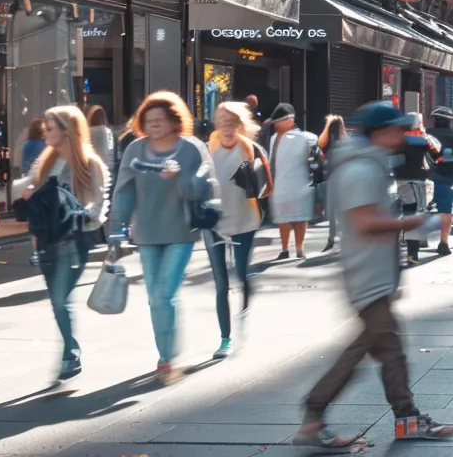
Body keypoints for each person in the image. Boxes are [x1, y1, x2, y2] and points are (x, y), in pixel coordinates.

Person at [294, 102, 453, 447]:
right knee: (373, 348)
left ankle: (403, 418)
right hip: (366, 275)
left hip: (371, 273)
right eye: (398, 129)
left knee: (384, 348)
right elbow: (365, 223)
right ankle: (316, 414)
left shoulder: (367, 163)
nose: (403, 134)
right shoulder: (361, 169)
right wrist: (412, 222)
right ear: (381, 133)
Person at [109, 92, 216, 381]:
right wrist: (114, 229)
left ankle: (168, 359)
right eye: (149, 119)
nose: (154, 124)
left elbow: (208, 186)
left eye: (160, 119)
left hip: (180, 231)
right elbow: (123, 190)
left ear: (174, 121)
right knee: (155, 299)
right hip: (146, 232)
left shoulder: (191, 149)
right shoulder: (135, 149)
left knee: (164, 296)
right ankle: (166, 355)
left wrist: (180, 178)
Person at [13, 105, 109, 380]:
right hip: (45, 240)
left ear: (68, 131)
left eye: (51, 127)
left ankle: (70, 352)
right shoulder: (47, 160)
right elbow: (24, 187)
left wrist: (72, 213)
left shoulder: (90, 164)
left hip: (72, 241)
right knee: (58, 301)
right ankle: (70, 348)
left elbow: (98, 210)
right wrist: (25, 191)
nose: (45, 132)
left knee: (59, 298)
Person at [204, 102, 268, 357]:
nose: (227, 128)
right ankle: (225, 338)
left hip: (245, 221)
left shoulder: (250, 149)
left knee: (241, 274)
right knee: (221, 283)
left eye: (232, 123)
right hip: (214, 223)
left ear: (240, 124)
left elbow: (265, 185)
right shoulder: (207, 148)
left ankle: (244, 311)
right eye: (222, 123)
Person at [267, 104, 318, 261]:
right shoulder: (276, 138)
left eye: (279, 121)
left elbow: (316, 140)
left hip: (292, 184)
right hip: (288, 183)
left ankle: (295, 248)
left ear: (290, 120)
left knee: (294, 219)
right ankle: (289, 248)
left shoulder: (297, 137)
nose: (276, 125)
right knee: (288, 219)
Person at [395, 114, 440, 265]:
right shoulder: (421, 140)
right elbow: (437, 149)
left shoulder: (397, 139)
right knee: (416, 214)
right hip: (417, 181)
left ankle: (406, 243)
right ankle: (412, 253)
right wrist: (423, 132)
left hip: (400, 180)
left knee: (408, 211)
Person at [425, 108, 453, 254]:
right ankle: (444, 242)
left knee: (421, 210)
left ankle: (418, 241)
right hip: (448, 178)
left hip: (427, 177)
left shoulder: (428, 134)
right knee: (446, 211)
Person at [316, 115, 348, 253]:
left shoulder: (326, 141)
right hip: (345, 179)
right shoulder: (346, 141)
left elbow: (320, 146)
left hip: (331, 178)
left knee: (332, 211)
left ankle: (331, 239)